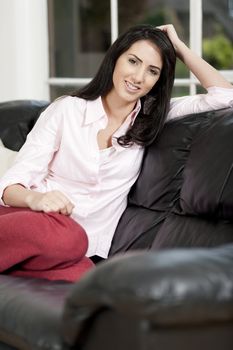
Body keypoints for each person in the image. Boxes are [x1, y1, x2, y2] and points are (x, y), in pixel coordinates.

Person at [0, 24, 232, 281]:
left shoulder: (153, 119)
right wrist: (37, 199)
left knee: (83, 271)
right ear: (115, 58)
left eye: (152, 71)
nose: (138, 77)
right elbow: (9, 186)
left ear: (158, 81)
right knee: (69, 238)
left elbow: (224, 96)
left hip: (83, 250)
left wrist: (179, 48)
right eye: (133, 61)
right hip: (33, 223)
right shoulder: (67, 110)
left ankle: (16, 260)